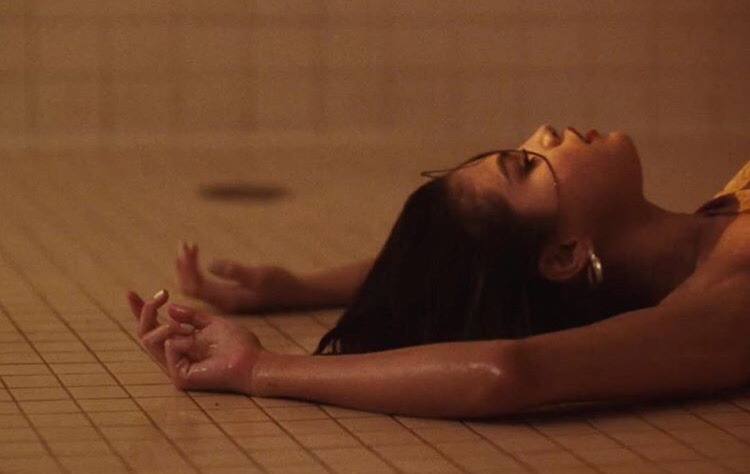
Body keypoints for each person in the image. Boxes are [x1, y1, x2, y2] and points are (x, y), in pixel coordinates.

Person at [127, 125, 750, 418]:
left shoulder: (719, 224)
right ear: (563, 254)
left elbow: (470, 273)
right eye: (527, 164)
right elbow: (512, 370)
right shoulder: (729, 291)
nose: (545, 132)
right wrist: (260, 369)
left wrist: (300, 287)